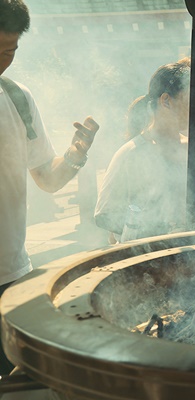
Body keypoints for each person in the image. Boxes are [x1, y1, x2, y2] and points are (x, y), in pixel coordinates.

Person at [0, 0, 100, 375]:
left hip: (10, 272)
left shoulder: (17, 98)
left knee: (19, 377)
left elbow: (48, 179)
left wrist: (76, 154)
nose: (0, 61)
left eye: (8, 52)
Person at [94, 60, 195, 241]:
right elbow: (107, 216)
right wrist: (152, 226)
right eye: (193, 100)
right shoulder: (131, 154)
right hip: (154, 262)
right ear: (166, 101)